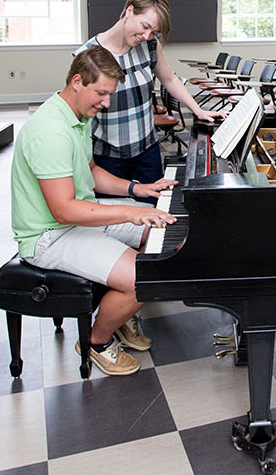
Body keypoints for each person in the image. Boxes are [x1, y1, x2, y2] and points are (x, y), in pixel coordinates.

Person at [11, 46, 178, 376]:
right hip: (49, 236)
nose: (105, 103)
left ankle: (117, 316)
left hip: (80, 218)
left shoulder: (77, 116)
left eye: (109, 94)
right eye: (101, 93)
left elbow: (90, 172)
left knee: (166, 234)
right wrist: (128, 213)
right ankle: (96, 341)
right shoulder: (50, 132)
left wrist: (136, 190)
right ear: (77, 81)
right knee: (148, 274)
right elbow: (64, 211)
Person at [74, 0, 224, 202]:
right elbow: (78, 115)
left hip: (147, 152)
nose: (146, 36)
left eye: (153, 32)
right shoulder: (88, 54)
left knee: (154, 215)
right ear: (129, 11)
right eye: (144, 26)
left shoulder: (150, 46)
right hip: (107, 158)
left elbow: (170, 79)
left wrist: (198, 110)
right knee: (116, 221)